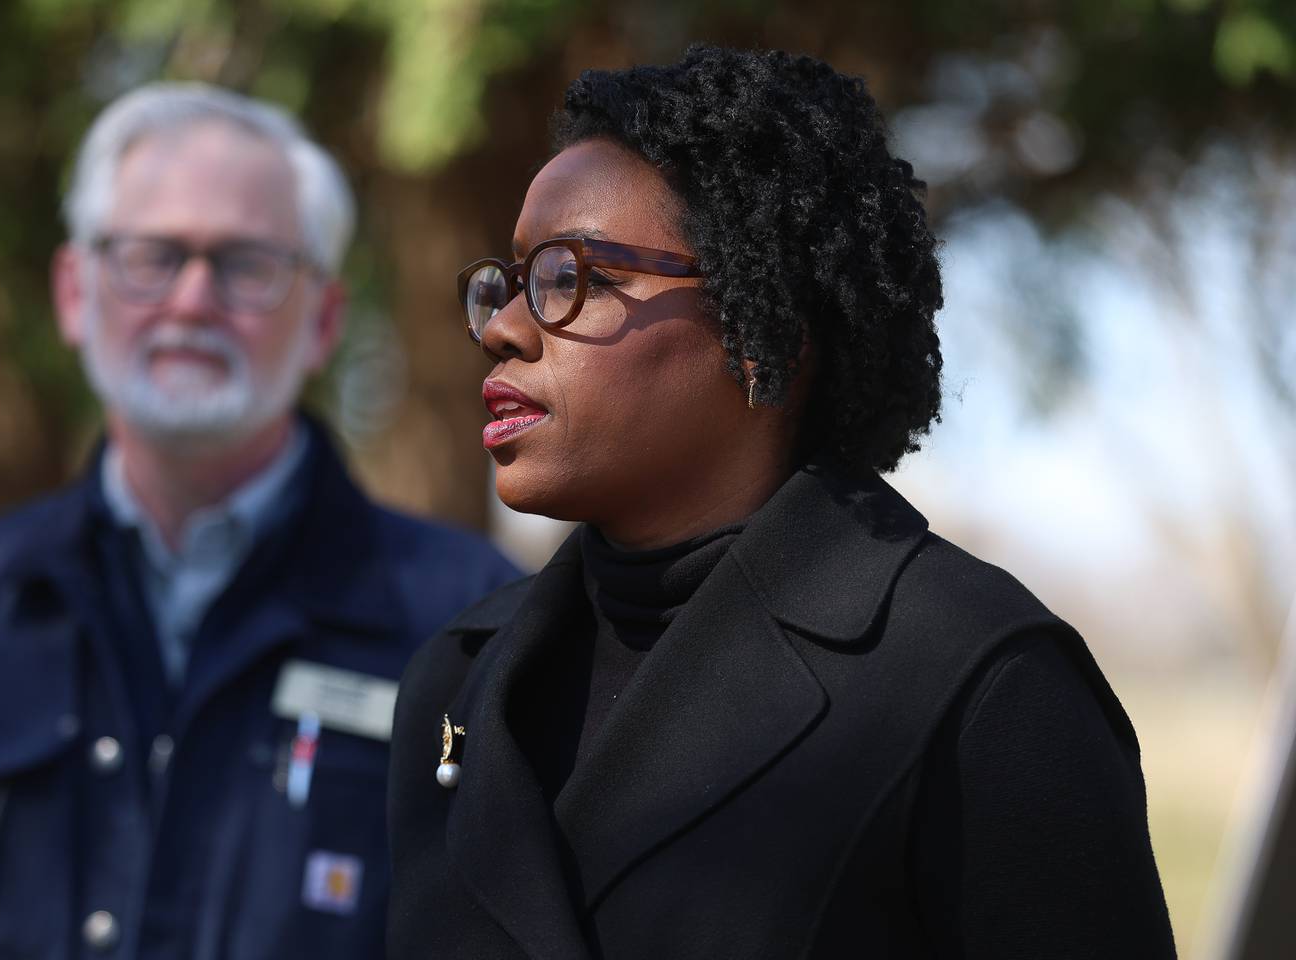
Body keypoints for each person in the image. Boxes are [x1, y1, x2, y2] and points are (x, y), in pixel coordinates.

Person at [387, 46, 1177, 958]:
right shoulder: (453, 682)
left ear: (763, 333)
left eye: (574, 278)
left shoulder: (976, 680)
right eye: (510, 282)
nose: (505, 328)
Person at [0, 84, 518, 959]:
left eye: (247, 263)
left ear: (322, 320)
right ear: (70, 292)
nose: (193, 299)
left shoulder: (472, 629)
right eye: (151, 256)